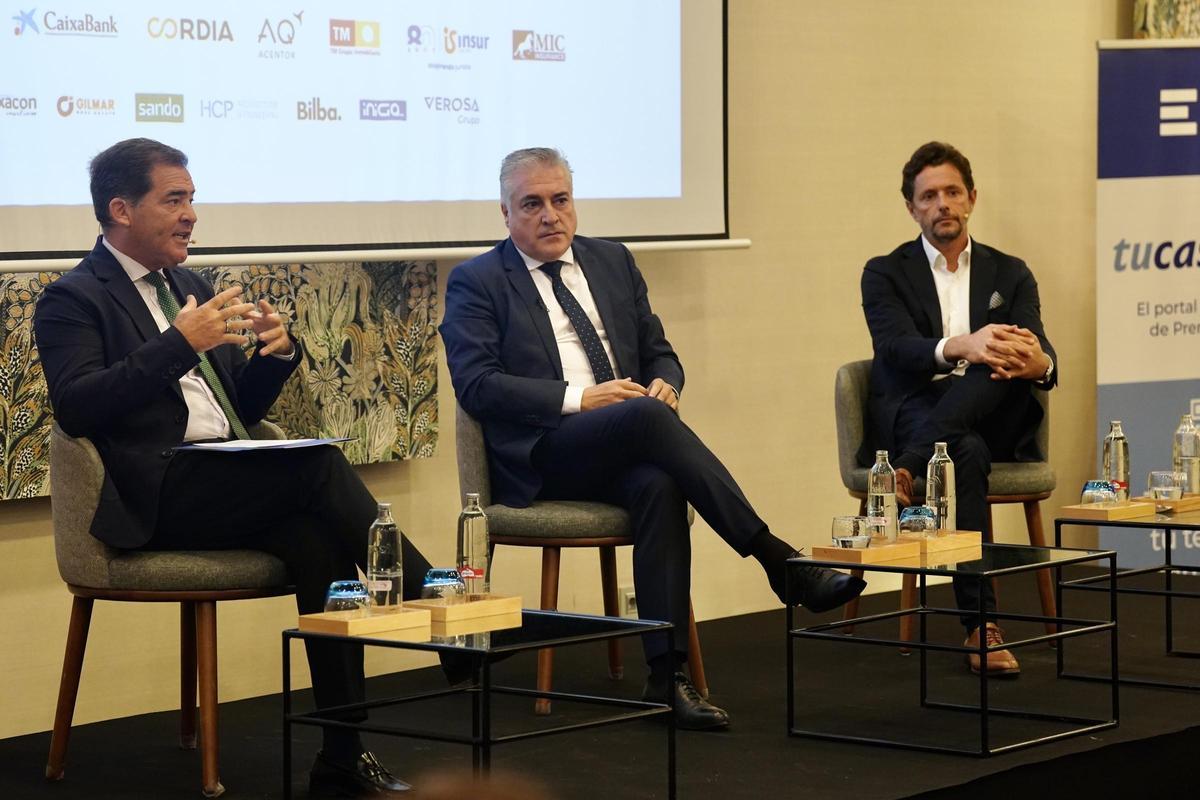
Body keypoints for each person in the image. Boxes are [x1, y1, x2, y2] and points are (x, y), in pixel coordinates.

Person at [33, 138, 426, 797]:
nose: (191, 215)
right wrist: (175, 346)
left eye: (192, 199)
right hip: (155, 493)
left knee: (317, 541)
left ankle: (342, 752)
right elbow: (77, 407)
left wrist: (275, 357)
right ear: (121, 210)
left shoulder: (189, 285)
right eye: (174, 200)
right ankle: (435, 604)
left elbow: (237, 408)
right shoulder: (73, 299)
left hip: (223, 477)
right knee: (319, 465)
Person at [439, 147, 865, 730]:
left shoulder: (612, 261)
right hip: (545, 451)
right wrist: (579, 398)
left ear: (574, 201)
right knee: (641, 419)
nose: (549, 215)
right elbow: (476, 384)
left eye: (560, 200)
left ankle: (667, 679)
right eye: (531, 204)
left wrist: (666, 383)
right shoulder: (478, 281)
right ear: (505, 213)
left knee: (660, 482)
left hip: (627, 441)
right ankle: (777, 558)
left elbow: (658, 349)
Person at [859, 141, 1058, 676]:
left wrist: (1040, 364)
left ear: (972, 198)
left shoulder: (1010, 271)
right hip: (919, 402)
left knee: (999, 360)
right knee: (961, 449)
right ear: (911, 208)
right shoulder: (884, 273)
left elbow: (1037, 347)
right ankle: (980, 627)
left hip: (993, 409)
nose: (942, 203)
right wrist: (959, 346)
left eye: (952, 192)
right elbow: (896, 349)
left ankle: (905, 466)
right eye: (929, 196)